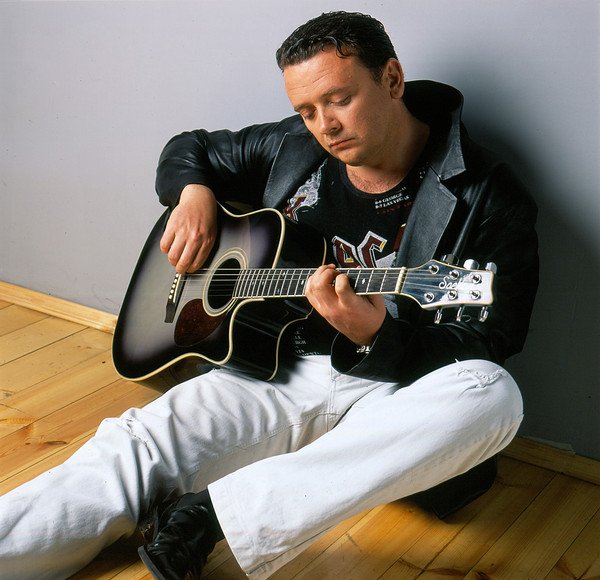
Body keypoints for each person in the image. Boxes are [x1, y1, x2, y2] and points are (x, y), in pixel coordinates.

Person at [0, 11, 538, 580]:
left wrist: (376, 336)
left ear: (392, 79)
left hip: (391, 393)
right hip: (270, 370)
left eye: (339, 99)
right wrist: (192, 194)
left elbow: (488, 340)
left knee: (493, 394)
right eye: (307, 110)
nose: (325, 126)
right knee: (131, 446)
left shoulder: (490, 194)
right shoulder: (291, 146)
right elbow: (190, 147)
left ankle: (207, 517)